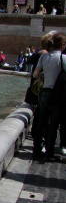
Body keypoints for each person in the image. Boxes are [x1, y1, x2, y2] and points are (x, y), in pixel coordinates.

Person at [32, 32, 66, 161]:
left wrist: (44, 75)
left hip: (44, 93)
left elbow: (35, 75)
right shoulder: (63, 58)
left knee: (41, 122)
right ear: (62, 45)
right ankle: (49, 152)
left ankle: (36, 150)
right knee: (53, 124)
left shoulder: (44, 57)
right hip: (57, 95)